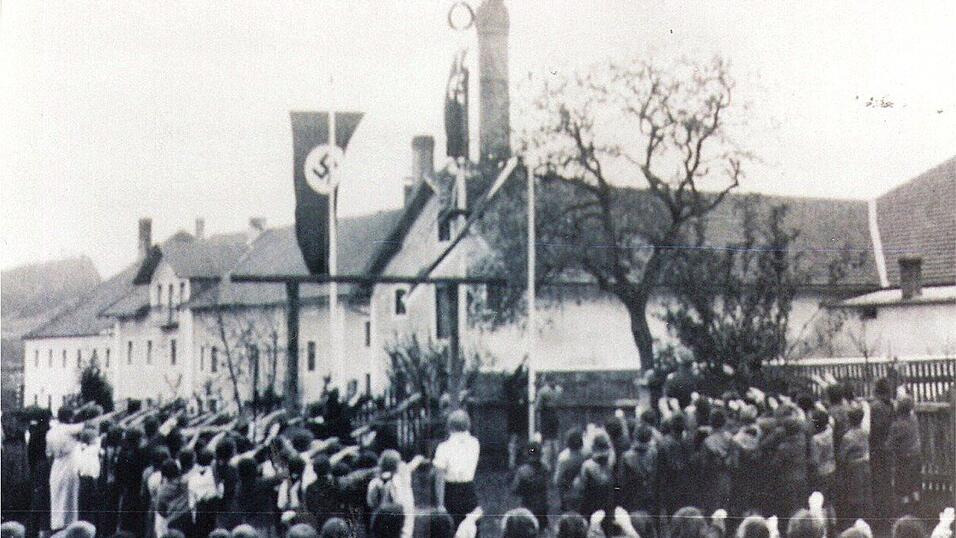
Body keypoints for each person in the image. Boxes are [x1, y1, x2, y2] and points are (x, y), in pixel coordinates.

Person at [433, 410, 480, 530]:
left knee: (450, 528)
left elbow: (439, 478)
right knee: (471, 527)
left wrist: (440, 504)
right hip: (469, 489)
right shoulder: (475, 443)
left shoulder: (444, 447)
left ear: (449, 426)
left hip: (451, 491)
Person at [46, 407, 85, 531]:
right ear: (70, 417)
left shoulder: (51, 432)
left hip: (57, 466)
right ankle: (69, 527)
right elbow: (86, 425)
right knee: (70, 498)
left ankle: (57, 526)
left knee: (57, 498)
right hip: (69, 466)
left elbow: (48, 453)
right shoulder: (68, 429)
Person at [885, 395, 922, 515]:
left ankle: (905, 512)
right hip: (916, 457)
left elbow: (889, 445)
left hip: (903, 460)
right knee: (914, 485)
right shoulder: (914, 419)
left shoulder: (897, 426)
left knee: (903, 487)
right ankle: (917, 509)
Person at [838, 406, 872, 521]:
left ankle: (855, 520)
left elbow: (842, 457)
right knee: (864, 494)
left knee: (854, 496)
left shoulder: (847, 437)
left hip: (853, 469)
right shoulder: (864, 433)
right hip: (865, 467)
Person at [868, 378, 895, 523]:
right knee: (886, 482)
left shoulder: (876, 407)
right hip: (887, 448)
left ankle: (881, 516)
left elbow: (874, 429)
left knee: (878, 482)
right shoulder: (889, 404)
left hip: (877, 449)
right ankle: (888, 514)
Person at [572, 431, 615, 522]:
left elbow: (581, 487)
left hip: (591, 505)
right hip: (608, 505)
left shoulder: (588, 466)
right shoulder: (612, 462)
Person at [618, 425, 658, 513]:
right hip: (649, 495)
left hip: (632, 498)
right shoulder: (654, 453)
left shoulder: (626, 456)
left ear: (635, 436)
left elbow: (622, 481)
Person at [511, 441, 550, 530]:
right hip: (542, 507)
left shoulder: (522, 471)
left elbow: (515, 489)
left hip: (528, 507)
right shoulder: (545, 469)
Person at [155, 459, 193, 536]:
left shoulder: (162, 490)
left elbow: (160, 510)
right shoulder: (185, 482)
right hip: (187, 518)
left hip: (173, 521)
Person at [189, 448, 220, 538]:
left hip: (198, 513)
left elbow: (191, 503)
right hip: (211, 510)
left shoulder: (192, 476)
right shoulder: (214, 474)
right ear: (212, 461)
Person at [554, 429, 587, 512]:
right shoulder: (587, 454)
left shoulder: (563, 458)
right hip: (584, 493)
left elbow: (557, 480)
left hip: (568, 494)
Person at [537, 376, 563, 472]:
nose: (554, 382)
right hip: (546, 417)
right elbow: (538, 407)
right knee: (547, 442)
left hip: (554, 417)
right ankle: (546, 466)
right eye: (552, 380)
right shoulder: (543, 391)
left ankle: (555, 466)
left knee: (555, 441)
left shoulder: (557, 390)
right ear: (548, 381)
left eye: (554, 380)